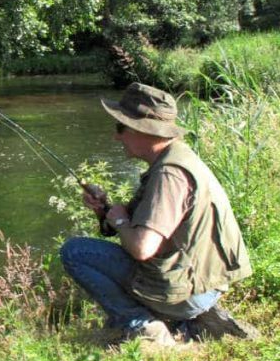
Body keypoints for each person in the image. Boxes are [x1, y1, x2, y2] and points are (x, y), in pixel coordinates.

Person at [60, 83, 258, 346]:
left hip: (190, 293)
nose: (116, 137)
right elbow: (154, 226)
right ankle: (193, 321)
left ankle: (144, 328)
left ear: (141, 129)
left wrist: (119, 221)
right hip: (203, 286)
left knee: (75, 252)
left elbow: (142, 248)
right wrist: (104, 210)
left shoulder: (169, 174)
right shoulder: (177, 158)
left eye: (120, 128)